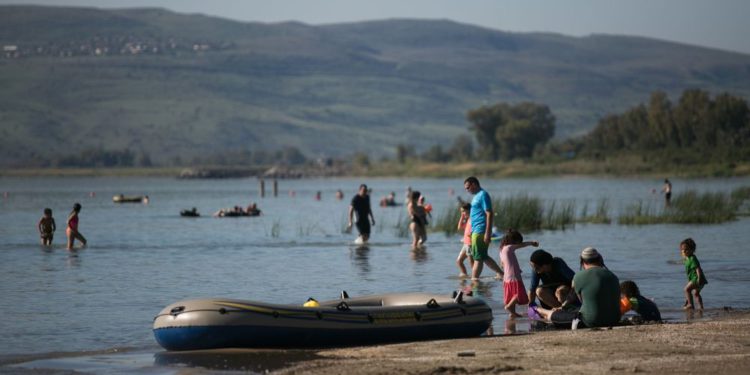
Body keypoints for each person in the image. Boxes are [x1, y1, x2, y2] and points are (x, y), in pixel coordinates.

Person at [530, 247, 620, 328]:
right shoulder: (613, 276)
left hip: (590, 320)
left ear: (582, 261)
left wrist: (562, 307)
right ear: (599, 259)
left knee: (550, 313)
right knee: (541, 291)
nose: (536, 271)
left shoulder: (578, 276)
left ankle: (540, 311)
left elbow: (576, 298)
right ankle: (558, 310)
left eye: (537, 268)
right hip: (615, 319)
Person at [463, 176, 504, 280]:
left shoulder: (483, 195)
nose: (466, 190)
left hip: (481, 230)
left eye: (468, 187)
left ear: (474, 184)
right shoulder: (476, 196)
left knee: (478, 258)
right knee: (483, 256)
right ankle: (501, 274)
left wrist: (488, 233)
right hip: (476, 231)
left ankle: (474, 281)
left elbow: (489, 213)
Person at [499, 229, 539, 317]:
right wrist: (531, 243)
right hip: (514, 275)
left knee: (511, 294)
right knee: (519, 294)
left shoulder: (502, 249)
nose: (518, 243)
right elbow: (521, 245)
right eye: (517, 242)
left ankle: (512, 313)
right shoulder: (509, 247)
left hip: (506, 277)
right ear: (513, 241)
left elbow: (502, 264)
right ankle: (509, 307)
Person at [680, 238, 707, 310]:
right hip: (697, 279)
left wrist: (699, 278)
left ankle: (690, 305)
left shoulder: (692, 258)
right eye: (682, 250)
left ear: (692, 250)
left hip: (697, 278)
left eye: (686, 249)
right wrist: (688, 299)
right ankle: (701, 307)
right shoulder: (687, 259)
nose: (684, 251)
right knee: (696, 294)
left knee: (686, 289)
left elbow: (698, 269)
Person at [456, 203, 475, 278]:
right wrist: (462, 216)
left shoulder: (472, 219)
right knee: (459, 261)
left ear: (469, 210)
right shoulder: (468, 220)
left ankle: (475, 276)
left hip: (470, 244)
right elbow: (459, 227)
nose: (463, 213)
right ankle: (464, 275)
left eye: (463, 211)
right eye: (461, 212)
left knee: (471, 262)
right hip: (465, 244)